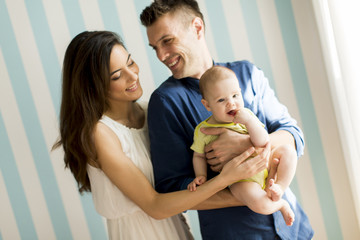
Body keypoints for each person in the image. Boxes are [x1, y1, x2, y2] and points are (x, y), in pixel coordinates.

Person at [53, 30, 269, 240]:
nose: (133, 75)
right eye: (117, 76)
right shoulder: (100, 132)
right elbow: (155, 206)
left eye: (130, 62)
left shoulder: (153, 112)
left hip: (177, 229)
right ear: (94, 86)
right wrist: (230, 182)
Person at [140, 0, 314, 239]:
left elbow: (292, 134)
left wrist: (246, 145)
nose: (161, 55)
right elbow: (173, 189)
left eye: (167, 41)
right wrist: (246, 192)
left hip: (293, 229)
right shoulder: (166, 102)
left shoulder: (248, 73)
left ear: (197, 28)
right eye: (155, 47)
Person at [188, 66, 297, 226]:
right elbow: (198, 155)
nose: (231, 103)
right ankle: (281, 204)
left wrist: (249, 122)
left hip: (265, 161)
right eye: (221, 100)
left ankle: (279, 187)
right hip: (242, 179)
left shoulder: (247, 116)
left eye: (235, 95)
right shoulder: (203, 130)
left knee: (288, 151)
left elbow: (262, 141)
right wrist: (201, 175)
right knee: (259, 204)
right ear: (207, 105)